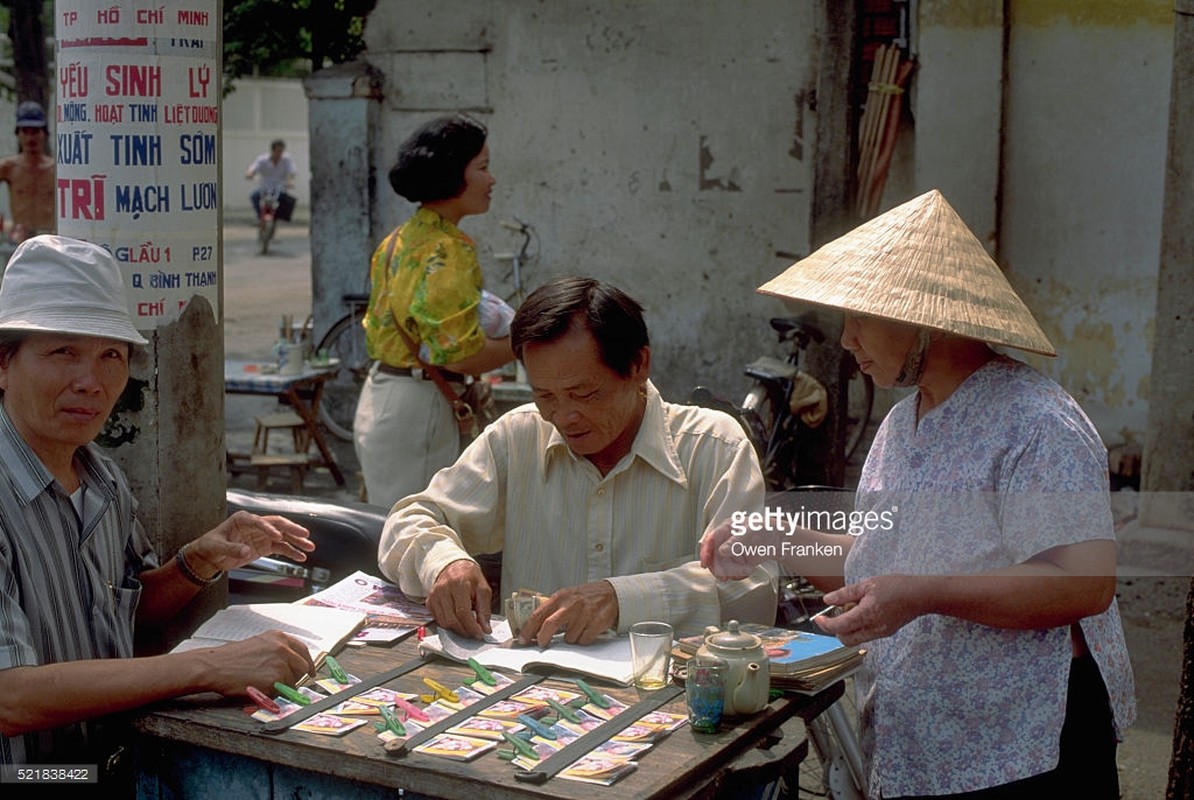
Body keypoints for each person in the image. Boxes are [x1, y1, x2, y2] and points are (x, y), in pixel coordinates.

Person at [701, 189, 1135, 798]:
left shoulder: (1036, 422)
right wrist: (774, 539)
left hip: (1025, 749)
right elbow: (880, 557)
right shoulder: (904, 426)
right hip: (927, 742)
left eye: (861, 319)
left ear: (925, 320)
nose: (847, 341)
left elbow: (1083, 581)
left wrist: (923, 595)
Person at [0, 235, 318, 767]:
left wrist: (197, 562)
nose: (92, 381)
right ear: (3, 364)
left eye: (111, 356)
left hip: (107, 759)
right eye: (63, 352)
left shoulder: (101, 479)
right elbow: (8, 698)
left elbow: (123, 615)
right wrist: (209, 667)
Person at [378, 277, 777, 647]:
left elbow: (754, 590)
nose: (564, 416)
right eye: (545, 396)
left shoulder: (713, 447)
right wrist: (446, 564)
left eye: (583, 394)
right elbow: (409, 520)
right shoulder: (519, 437)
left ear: (638, 366)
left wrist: (624, 600)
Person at [354, 114, 515, 508]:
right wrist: (525, 342)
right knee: (416, 536)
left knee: (389, 525)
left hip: (385, 395)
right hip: (419, 409)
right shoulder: (447, 249)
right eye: (483, 167)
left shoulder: (398, 240)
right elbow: (460, 355)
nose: (492, 179)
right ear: (452, 174)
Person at [0, 101, 55, 243]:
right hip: (19, 240)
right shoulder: (9, 167)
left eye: (35, 131)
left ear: (44, 133)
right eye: (25, 131)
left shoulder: (56, 170)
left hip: (50, 239)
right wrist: (5, 225)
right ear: (18, 133)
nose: (30, 138)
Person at [245, 139, 296, 223]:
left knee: (286, 201)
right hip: (265, 187)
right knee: (254, 197)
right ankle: (260, 217)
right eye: (277, 151)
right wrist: (249, 174)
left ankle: (278, 217)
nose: (279, 154)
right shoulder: (262, 160)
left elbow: (291, 172)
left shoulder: (286, 160)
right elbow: (252, 169)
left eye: (281, 151)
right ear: (272, 150)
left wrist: (290, 181)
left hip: (279, 188)